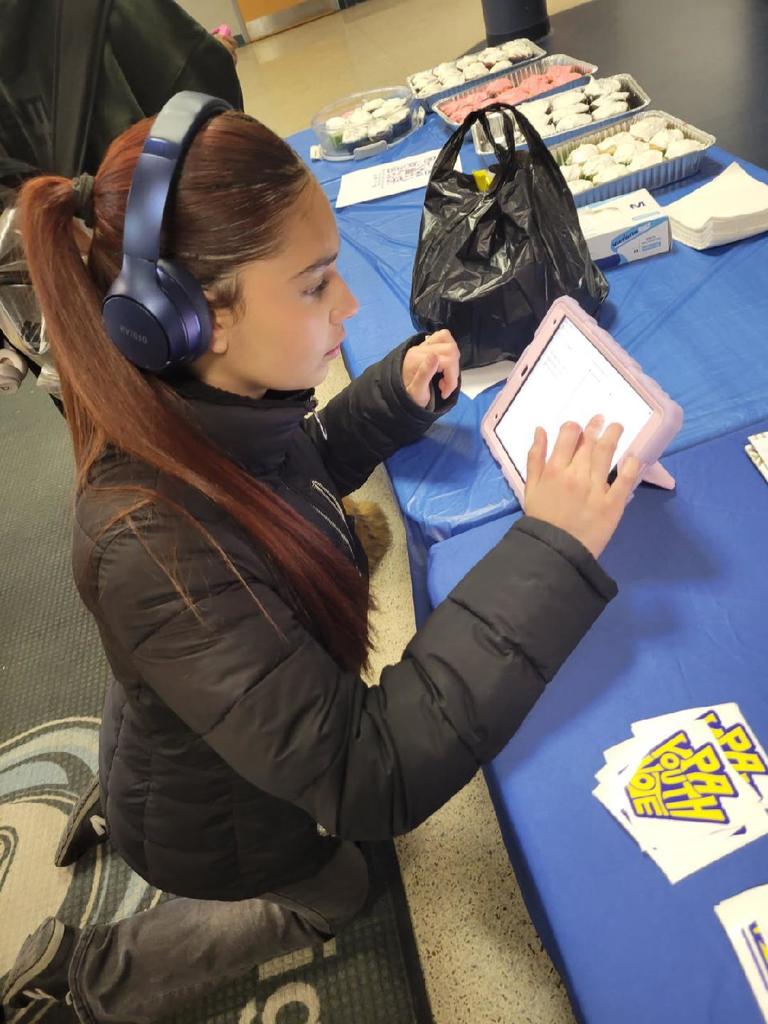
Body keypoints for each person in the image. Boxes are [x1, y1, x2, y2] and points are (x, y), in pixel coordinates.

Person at [2, 92, 639, 1024]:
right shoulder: (149, 544)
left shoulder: (207, 407)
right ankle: (92, 976)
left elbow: (292, 470)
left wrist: (390, 398)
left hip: (215, 732)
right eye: (315, 284)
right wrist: (549, 550)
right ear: (193, 319)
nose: (347, 305)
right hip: (217, 825)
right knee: (344, 888)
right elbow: (369, 772)